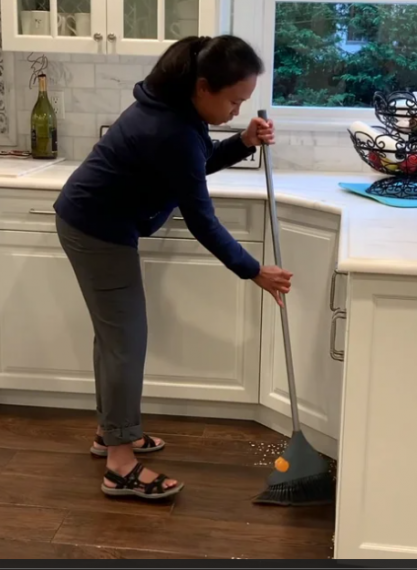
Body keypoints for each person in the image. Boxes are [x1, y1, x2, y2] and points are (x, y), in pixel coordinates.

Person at [54, 35, 292, 501]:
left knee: (116, 339)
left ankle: (112, 433)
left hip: (95, 222)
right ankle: (120, 465)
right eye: (232, 101)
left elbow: (196, 163)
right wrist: (253, 270)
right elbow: (202, 219)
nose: (235, 110)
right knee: (126, 341)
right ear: (203, 86)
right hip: (97, 229)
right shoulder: (170, 128)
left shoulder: (178, 111)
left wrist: (242, 142)